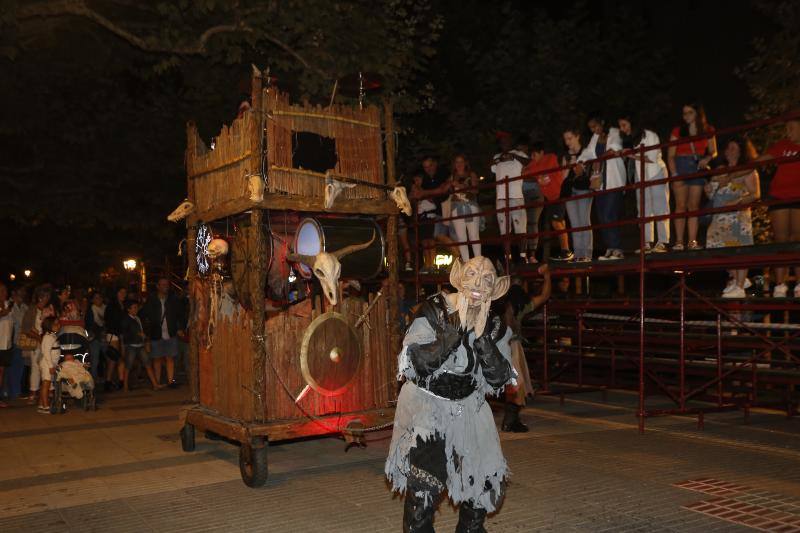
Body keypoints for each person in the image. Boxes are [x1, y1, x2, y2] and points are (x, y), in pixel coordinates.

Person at [386, 256, 513, 532]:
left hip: (470, 406)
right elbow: (415, 363)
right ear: (457, 278)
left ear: (497, 289)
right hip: (427, 406)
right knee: (424, 487)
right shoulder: (433, 311)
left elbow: (501, 378)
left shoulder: (494, 326)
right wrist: (452, 332)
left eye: (488, 278)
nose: (479, 283)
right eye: (472, 274)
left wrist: (483, 340)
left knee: (484, 480)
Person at [705, 138, 761, 298]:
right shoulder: (721, 169)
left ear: (741, 151)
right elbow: (712, 195)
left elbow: (755, 194)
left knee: (740, 249)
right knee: (719, 249)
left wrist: (737, 202)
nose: (729, 150)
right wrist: (708, 189)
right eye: (728, 147)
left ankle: (740, 285)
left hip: (737, 216)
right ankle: (739, 280)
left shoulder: (747, 170)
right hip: (719, 218)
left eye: (733, 148)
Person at [501, 264, 551, 432]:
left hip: (494, 344)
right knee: (516, 383)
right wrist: (547, 276)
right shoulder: (521, 301)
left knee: (512, 382)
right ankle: (510, 421)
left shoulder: (498, 299)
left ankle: (511, 420)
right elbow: (544, 296)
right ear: (522, 284)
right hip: (510, 345)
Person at [757, 117, 800, 297]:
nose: (788, 131)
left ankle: (799, 283)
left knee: (797, 240)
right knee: (781, 241)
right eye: (787, 127)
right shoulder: (783, 145)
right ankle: (780, 284)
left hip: (799, 196)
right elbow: (761, 159)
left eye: (792, 127)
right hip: (780, 196)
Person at [667, 102, 717, 251]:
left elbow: (714, 151)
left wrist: (707, 159)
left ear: (697, 114)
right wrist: (674, 173)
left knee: (694, 206)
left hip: (696, 165)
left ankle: (692, 241)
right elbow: (670, 155)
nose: (686, 116)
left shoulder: (708, 129)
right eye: (684, 113)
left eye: (690, 112)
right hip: (680, 165)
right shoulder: (677, 130)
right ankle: (679, 242)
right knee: (680, 206)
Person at [619, 114, 671, 253]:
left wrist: (631, 154)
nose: (622, 129)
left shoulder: (650, 135)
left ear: (632, 124)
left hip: (656, 172)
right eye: (620, 126)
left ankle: (662, 242)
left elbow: (651, 159)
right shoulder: (632, 140)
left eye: (624, 125)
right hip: (641, 176)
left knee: (660, 206)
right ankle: (646, 243)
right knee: (643, 208)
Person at [581, 115, 626, 260]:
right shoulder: (595, 137)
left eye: (595, 126)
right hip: (599, 182)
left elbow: (615, 149)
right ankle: (610, 248)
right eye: (591, 128)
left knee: (609, 215)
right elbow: (588, 152)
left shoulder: (614, 132)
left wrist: (598, 159)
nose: (594, 130)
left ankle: (617, 248)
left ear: (602, 122)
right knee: (601, 216)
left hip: (613, 181)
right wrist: (580, 161)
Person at [527, 142, 572, 262]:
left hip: (559, 194)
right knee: (558, 223)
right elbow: (524, 172)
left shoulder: (550, 158)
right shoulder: (534, 163)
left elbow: (538, 169)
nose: (533, 157)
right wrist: (536, 175)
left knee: (557, 223)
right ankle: (566, 251)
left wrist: (537, 173)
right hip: (550, 198)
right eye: (531, 155)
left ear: (541, 152)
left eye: (534, 154)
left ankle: (566, 250)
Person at [492, 131, 530, 263]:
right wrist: (502, 158)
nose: (504, 143)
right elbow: (491, 167)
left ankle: (522, 257)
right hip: (501, 198)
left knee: (521, 229)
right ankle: (507, 258)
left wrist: (513, 155)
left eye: (506, 140)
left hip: (516, 196)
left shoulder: (519, 154)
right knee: (504, 231)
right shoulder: (497, 156)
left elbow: (528, 162)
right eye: (502, 141)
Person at [410, 155, 453, 272]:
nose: (428, 169)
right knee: (427, 240)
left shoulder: (442, 174)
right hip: (429, 215)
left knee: (436, 238)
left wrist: (425, 193)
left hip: (442, 211)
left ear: (435, 164)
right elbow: (414, 197)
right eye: (425, 167)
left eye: (430, 166)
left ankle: (456, 258)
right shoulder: (425, 182)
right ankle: (428, 264)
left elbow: (443, 189)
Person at [141, 278, 184, 388]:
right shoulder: (152, 299)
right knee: (157, 358)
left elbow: (180, 314)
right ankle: (158, 382)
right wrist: (148, 330)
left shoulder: (173, 299)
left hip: (170, 332)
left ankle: (170, 381)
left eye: (167, 284)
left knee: (170, 358)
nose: (165, 286)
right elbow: (144, 315)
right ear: (158, 286)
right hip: (156, 332)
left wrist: (179, 328)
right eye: (162, 284)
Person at [562, 127, 593, 262]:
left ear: (577, 136)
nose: (567, 142)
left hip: (584, 189)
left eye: (570, 138)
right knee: (574, 224)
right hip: (570, 191)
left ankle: (587, 253)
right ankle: (578, 253)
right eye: (565, 139)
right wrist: (569, 163)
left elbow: (587, 172)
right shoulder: (566, 156)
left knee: (584, 221)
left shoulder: (586, 152)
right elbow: (564, 176)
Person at [20, 287, 54, 403]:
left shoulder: (49, 309)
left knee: (50, 366)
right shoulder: (32, 310)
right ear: (40, 297)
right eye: (46, 296)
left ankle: (49, 390)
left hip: (48, 342)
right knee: (35, 368)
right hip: (37, 342)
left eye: (49, 296)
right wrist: (40, 339)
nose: (48, 298)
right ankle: (33, 393)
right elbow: (26, 328)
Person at [448, 154, 482, 262]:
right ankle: (466, 263)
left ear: (465, 163)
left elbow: (476, 190)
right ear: (454, 164)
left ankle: (478, 261)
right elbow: (444, 190)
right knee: (461, 238)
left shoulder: (471, 174)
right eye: (457, 162)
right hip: (456, 208)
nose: (459, 164)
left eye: (461, 161)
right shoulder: (451, 177)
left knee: (474, 236)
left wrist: (462, 186)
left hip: (470, 206)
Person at [120, 300, 159, 392]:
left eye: (136, 307)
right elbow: (123, 334)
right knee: (128, 366)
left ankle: (155, 384)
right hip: (131, 346)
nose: (136, 309)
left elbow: (142, 330)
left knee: (148, 364)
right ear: (128, 309)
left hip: (140, 345)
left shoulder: (137, 318)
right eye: (134, 308)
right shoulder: (126, 320)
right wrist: (136, 335)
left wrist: (144, 339)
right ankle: (125, 386)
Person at [4, 288, 28, 400]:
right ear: (13, 293)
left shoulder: (24, 307)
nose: (22, 294)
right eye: (20, 292)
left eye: (23, 292)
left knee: (19, 367)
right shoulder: (8, 305)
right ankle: (9, 392)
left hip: (21, 341)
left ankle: (15, 392)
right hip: (8, 340)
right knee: (9, 368)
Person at [104, 287, 127, 388]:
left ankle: (120, 380)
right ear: (116, 293)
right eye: (121, 292)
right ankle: (108, 381)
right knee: (113, 358)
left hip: (120, 334)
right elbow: (110, 321)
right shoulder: (112, 306)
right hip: (113, 334)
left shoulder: (123, 305)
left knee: (120, 358)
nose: (123, 294)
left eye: (125, 292)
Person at [38, 316, 60, 413]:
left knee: (46, 384)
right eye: (55, 324)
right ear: (49, 325)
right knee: (46, 384)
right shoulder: (48, 337)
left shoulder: (52, 336)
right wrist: (51, 366)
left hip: (51, 364)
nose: (58, 325)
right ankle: (46, 406)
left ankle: (41, 405)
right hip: (47, 364)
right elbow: (46, 352)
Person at [85, 292, 106, 382]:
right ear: (93, 300)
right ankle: (93, 379)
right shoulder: (91, 310)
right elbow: (89, 325)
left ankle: (104, 378)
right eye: (96, 298)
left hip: (105, 337)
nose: (99, 300)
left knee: (106, 358)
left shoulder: (105, 308)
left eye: (100, 297)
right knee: (95, 360)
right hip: (95, 338)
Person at [0, 284, 13, 407]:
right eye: (1, 290)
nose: (4, 292)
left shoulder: (8, 304)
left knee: (2, 372)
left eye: (5, 290)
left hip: (6, 344)